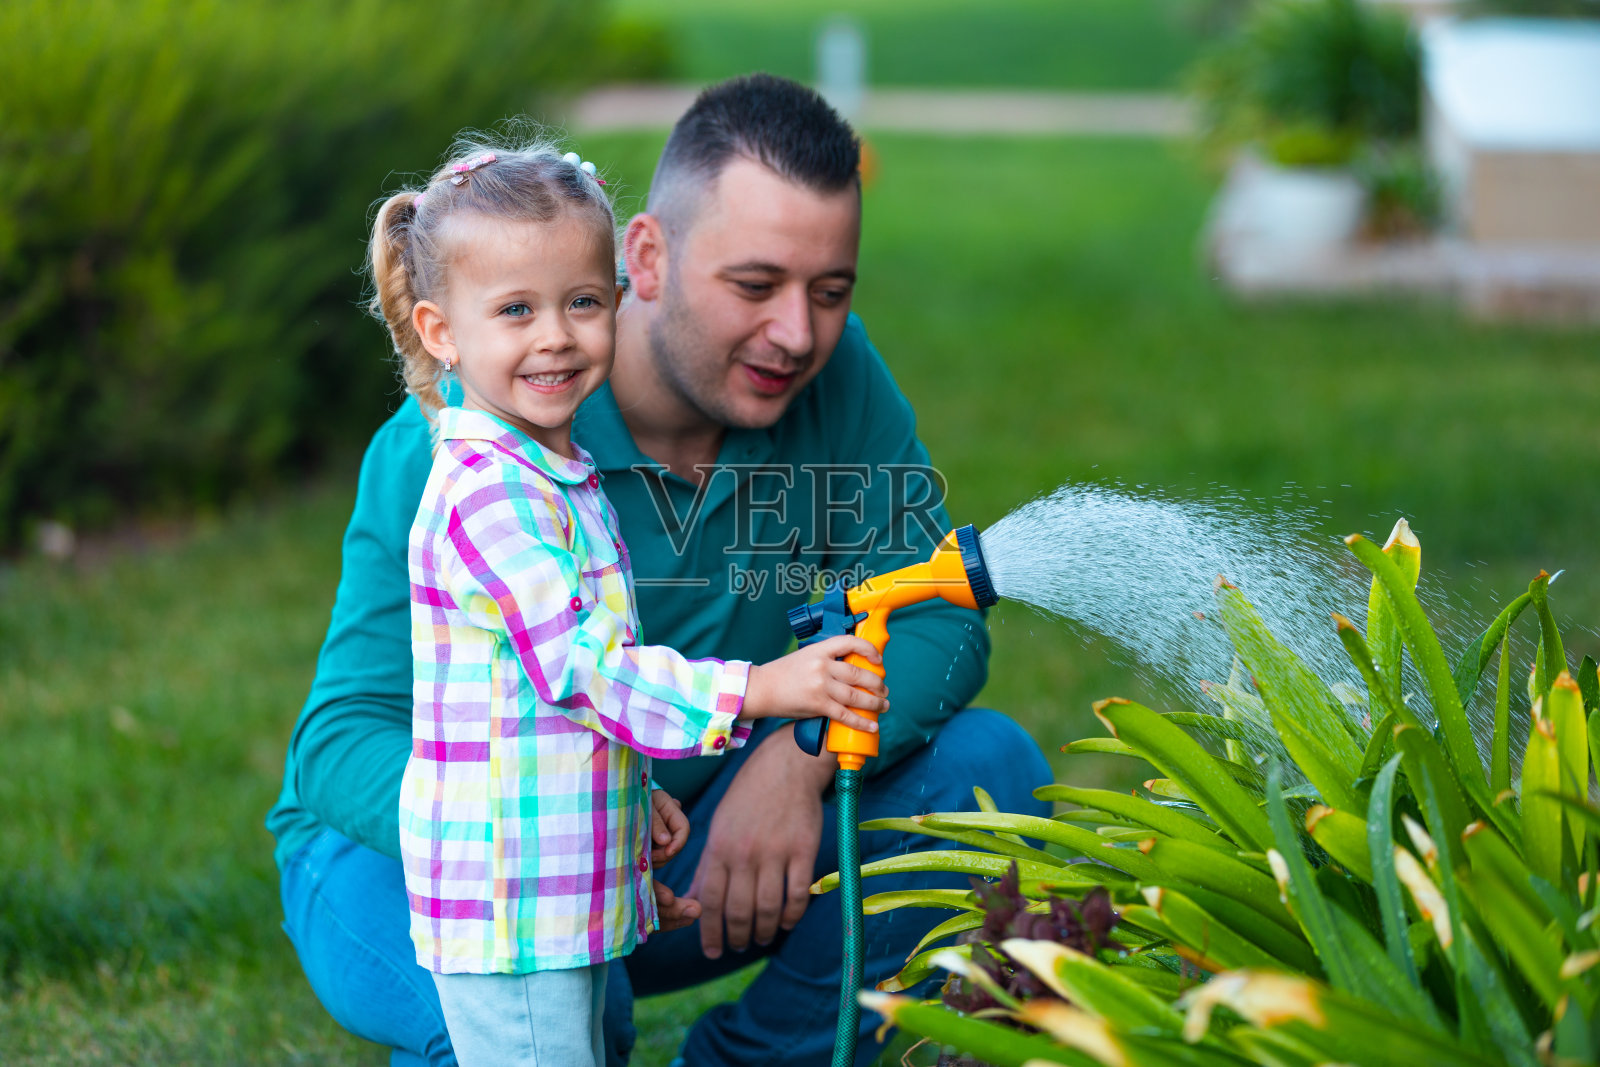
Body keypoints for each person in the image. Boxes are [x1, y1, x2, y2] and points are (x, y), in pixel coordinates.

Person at [268, 73, 1053, 1067]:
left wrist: (797, 757)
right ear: (647, 254)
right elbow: (338, 739)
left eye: (830, 290)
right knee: (528, 1027)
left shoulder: (837, 376)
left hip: (683, 846)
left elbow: (943, 619)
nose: (798, 334)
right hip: (442, 858)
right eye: (755, 285)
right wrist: (562, 823)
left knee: (988, 776)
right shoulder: (459, 447)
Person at [366, 139, 890, 1067]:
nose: (556, 336)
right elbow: (580, 668)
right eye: (516, 310)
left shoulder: (550, 470)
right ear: (443, 333)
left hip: (560, 884)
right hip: (510, 904)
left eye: (581, 303)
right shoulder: (487, 491)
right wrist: (760, 689)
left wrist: (626, 791)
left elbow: (535, 698)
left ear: (619, 299)